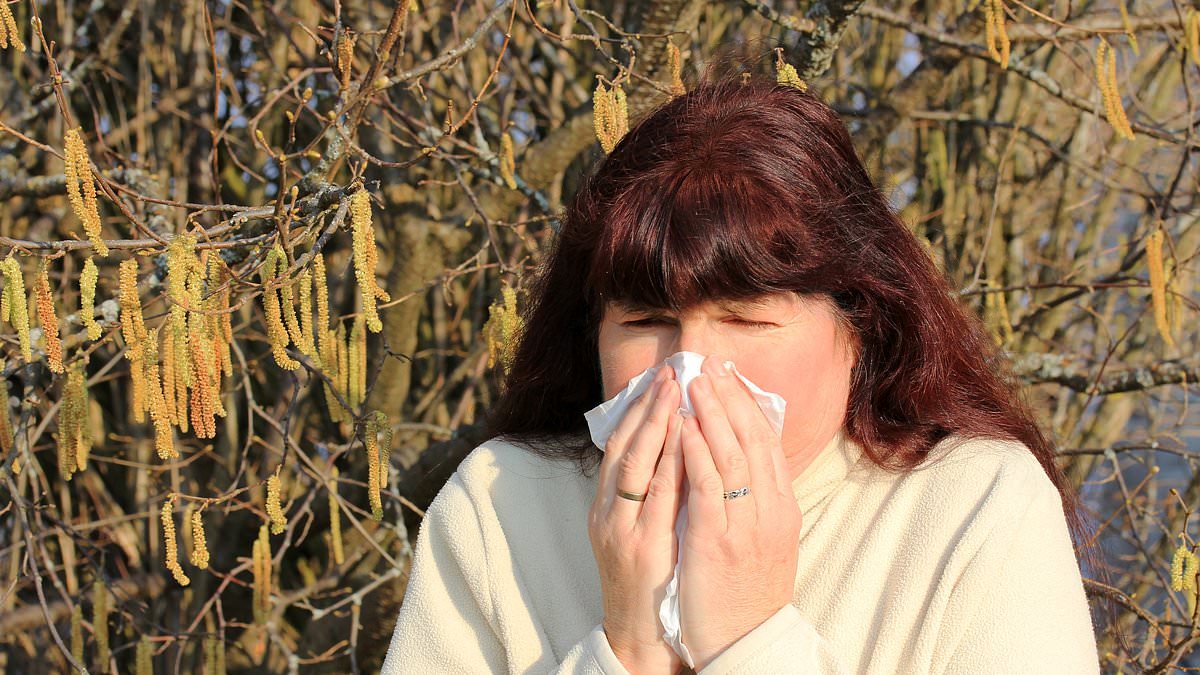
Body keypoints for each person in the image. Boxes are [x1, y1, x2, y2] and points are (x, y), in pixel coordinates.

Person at [381, 73, 1100, 674]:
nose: (692, 371)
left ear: (859, 327)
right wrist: (629, 648)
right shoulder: (502, 506)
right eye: (645, 321)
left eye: (748, 320)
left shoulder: (971, 508)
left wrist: (750, 638)